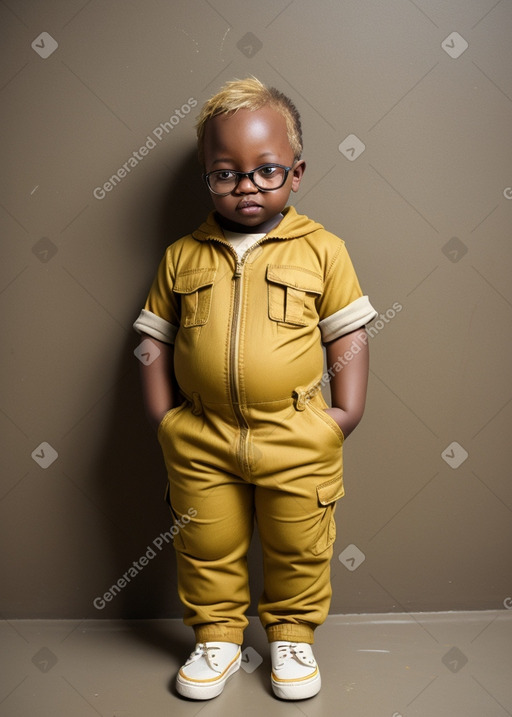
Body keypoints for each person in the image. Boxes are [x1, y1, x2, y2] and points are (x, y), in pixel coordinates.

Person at [133, 77, 377, 701]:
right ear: (206, 178)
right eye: (226, 173)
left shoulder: (324, 250)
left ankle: (292, 635)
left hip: (297, 433)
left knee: (299, 544)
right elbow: (152, 340)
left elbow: (348, 333)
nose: (246, 186)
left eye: (266, 171)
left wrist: (343, 413)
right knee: (204, 540)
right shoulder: (181, 256)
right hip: (201, 434)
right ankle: (216, 635)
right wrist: (164, 416)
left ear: (296, 174)